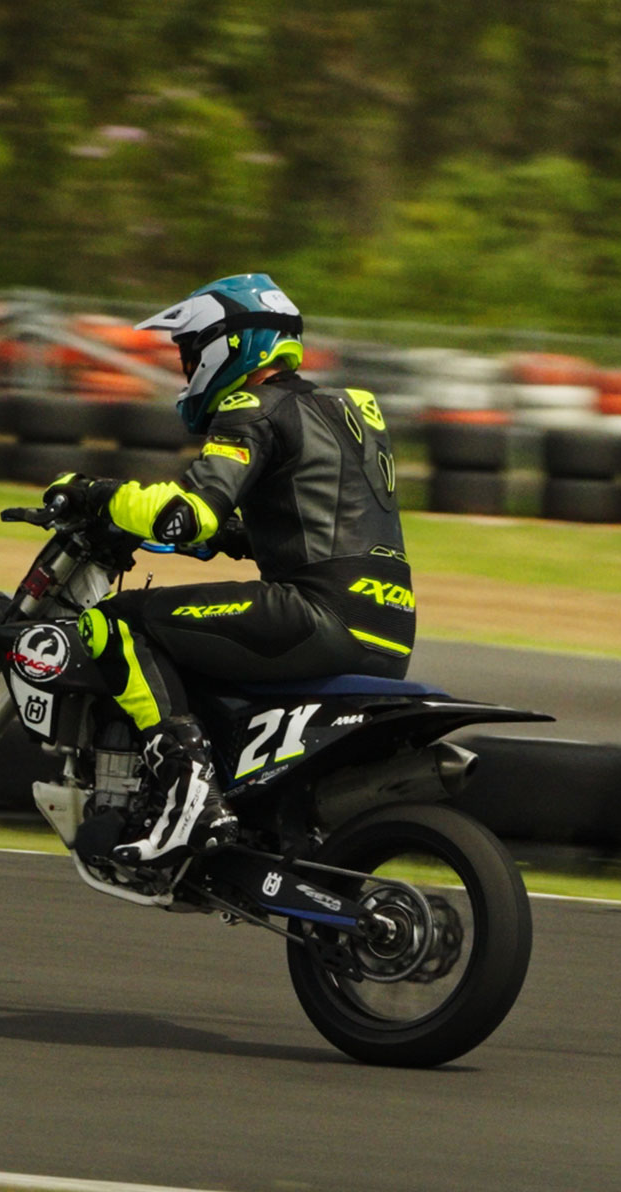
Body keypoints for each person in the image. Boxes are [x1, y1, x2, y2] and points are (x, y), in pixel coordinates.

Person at [45, 273, 415, 867]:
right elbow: (304, 520)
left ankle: (187, 796)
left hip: (315, 615)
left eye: (191, 355)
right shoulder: (347, 410)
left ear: (232, 344)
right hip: (389, 628)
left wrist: (95, 495)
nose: (187, 371)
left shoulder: (250, 406)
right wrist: (226, 538)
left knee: (115, 623)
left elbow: (185, 515)